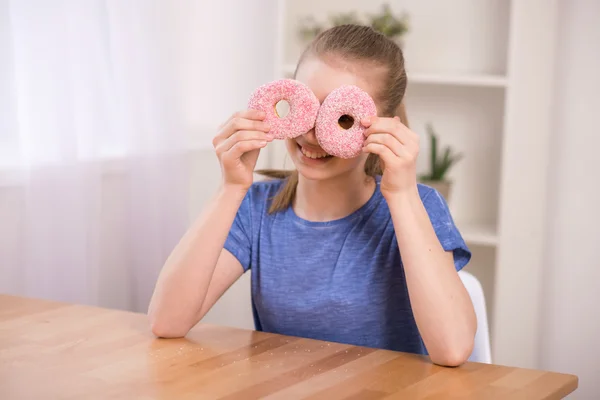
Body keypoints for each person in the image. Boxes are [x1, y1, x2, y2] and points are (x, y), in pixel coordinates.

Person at [148, 24, 476, 367]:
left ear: (385, 125)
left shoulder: (417, 206)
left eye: (341, 118)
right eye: (304, 107)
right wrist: (230, 187)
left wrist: (403, 194)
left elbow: (452, 349)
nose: (311, 134)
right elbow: (167, 321)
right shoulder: (257, 208)